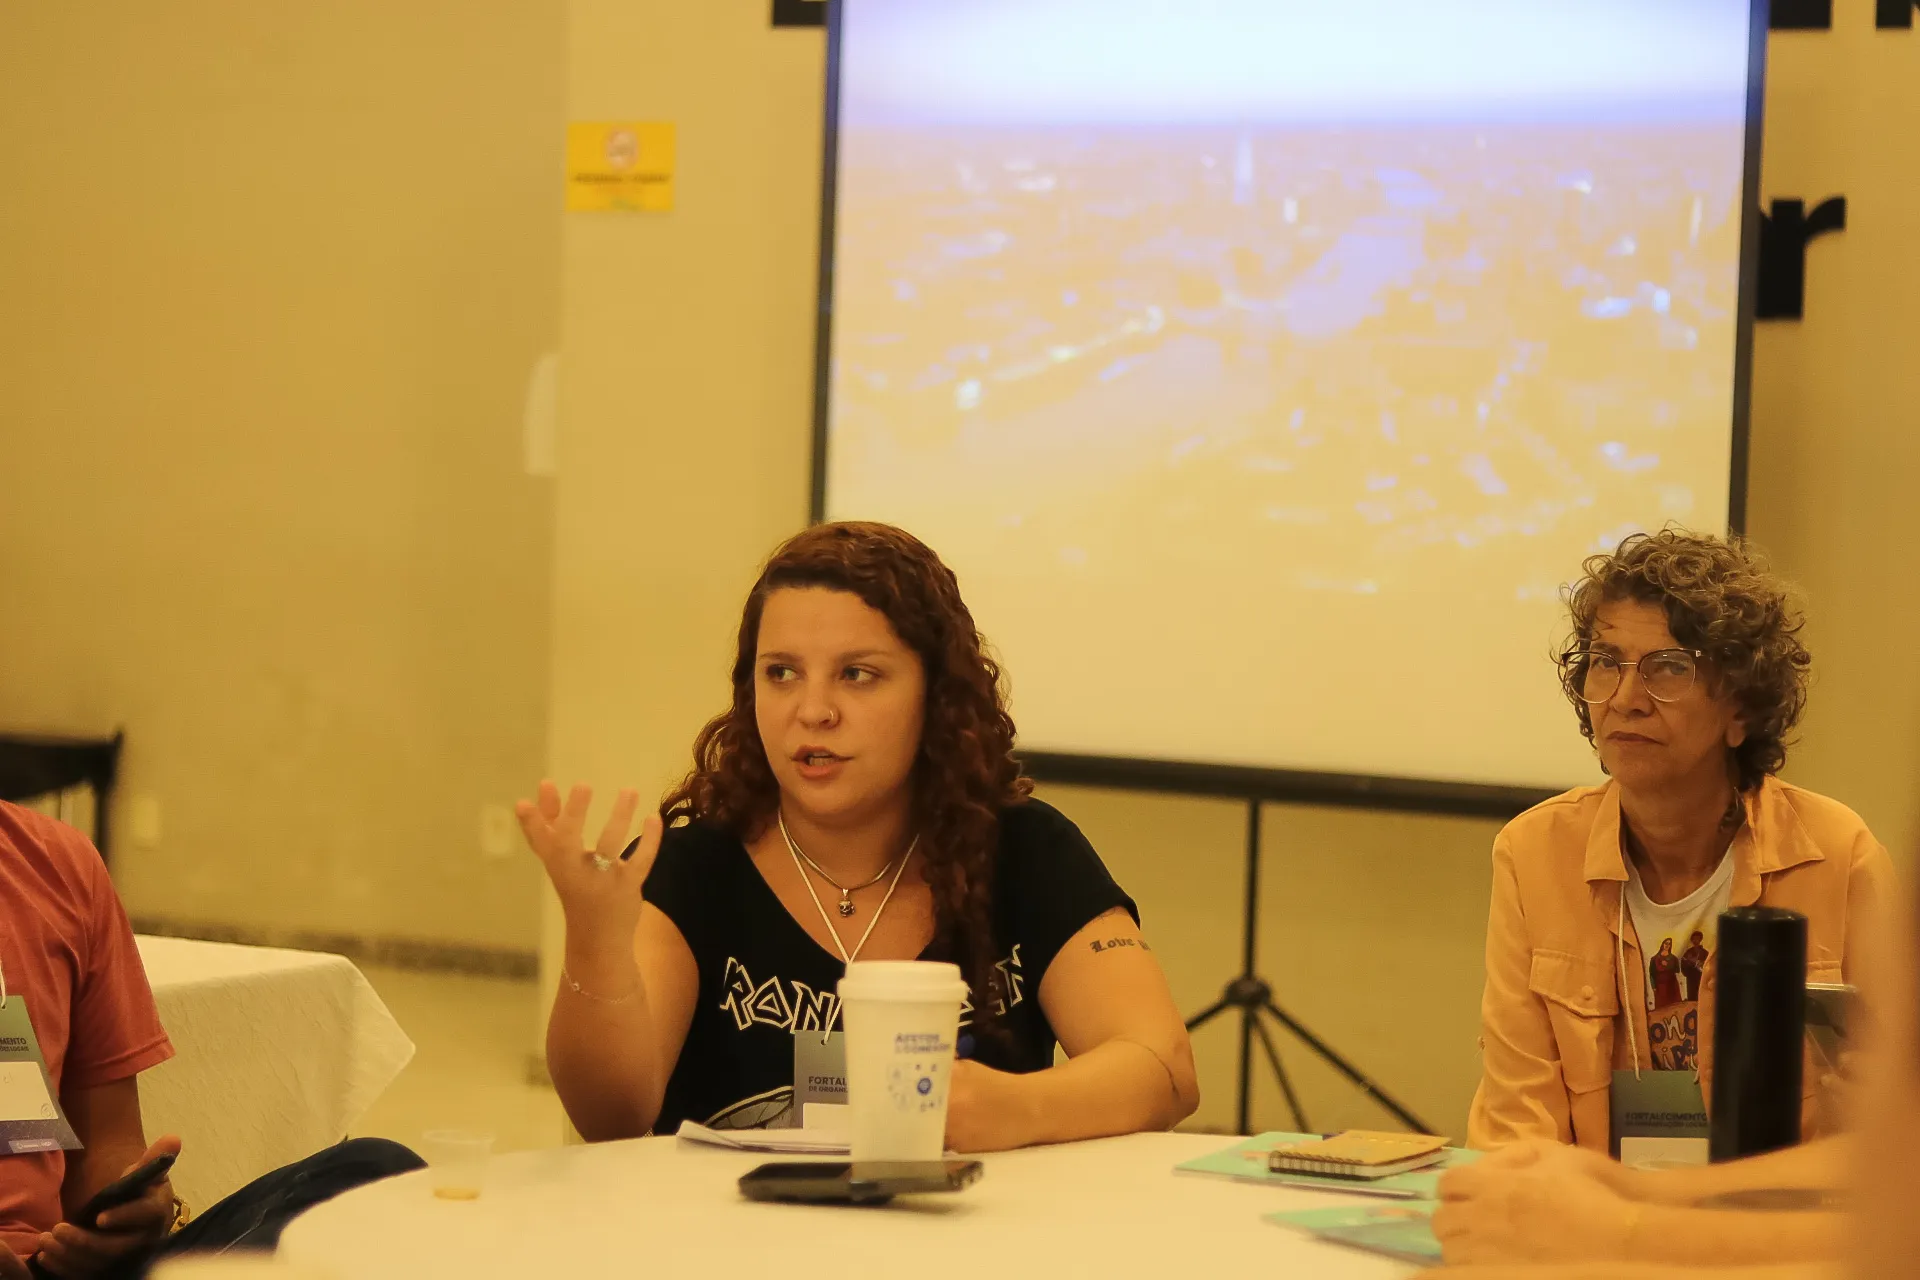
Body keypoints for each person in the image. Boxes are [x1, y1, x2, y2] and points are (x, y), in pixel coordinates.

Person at [520, 521, 1200, 1149]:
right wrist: (593, 945)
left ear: (936, 695)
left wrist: (1013, 1108)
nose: (813, 710)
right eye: (781, 673)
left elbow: (1163, 1067)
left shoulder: (1026, 850)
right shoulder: (692, 868)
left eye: (857, 674)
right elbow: (611, 1116)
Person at [1469, 530, 1893, 1153]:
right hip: (1596, 1205)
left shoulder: (1838, 855)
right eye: (1606, 662)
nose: (1626, 699)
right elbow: (1516, 1129)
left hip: (1776, 1208)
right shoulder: (1535, 853)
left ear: (1740, 710)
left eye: (1669, 668)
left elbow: (1892, 1132)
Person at [0, 803, 423, 1280]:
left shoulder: (54, 862)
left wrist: (130, 1214)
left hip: (44, 1266)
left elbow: (106, 1145)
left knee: (378, 1172)